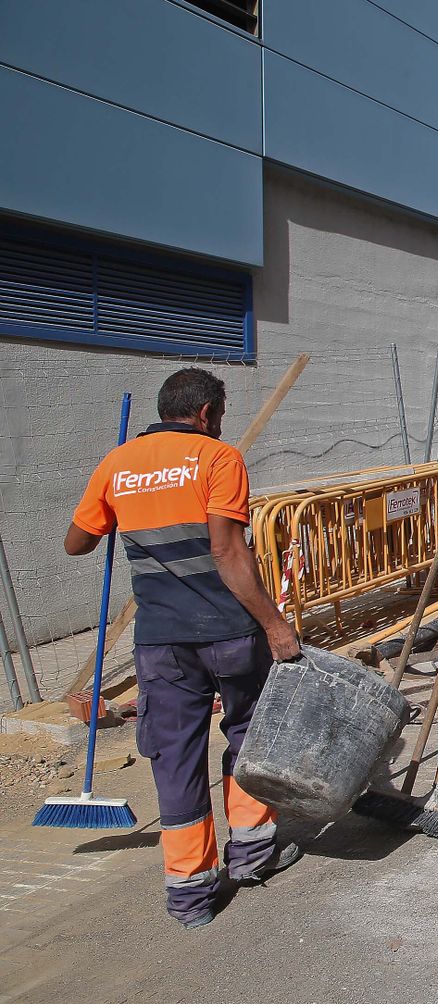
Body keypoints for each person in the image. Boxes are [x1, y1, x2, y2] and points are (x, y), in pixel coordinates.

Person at [65, 368, 302, 928]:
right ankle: (251, 854)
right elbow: (228, 552)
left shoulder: (118, 463)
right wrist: (275, 626)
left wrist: (118, 509)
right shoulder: (217, 458)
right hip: (229, 632)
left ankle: (190, 894)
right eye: (219, 415)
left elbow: (76, 544)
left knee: (175, 757)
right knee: (248, 734)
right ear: (205, 413)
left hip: (161, 640)